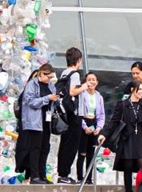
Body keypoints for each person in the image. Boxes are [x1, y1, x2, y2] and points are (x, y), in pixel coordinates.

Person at [98, 81, 142, 192]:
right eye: (139, 89)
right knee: (127, 168)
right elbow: (114, 121)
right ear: (133, 89)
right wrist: (104, 134)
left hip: (141, 139)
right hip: (127, 139)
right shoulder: (122, 104)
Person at [15, 64, 59, 184]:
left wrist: (56, 99)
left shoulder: (51, 86)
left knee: (45, 148)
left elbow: (52, 101)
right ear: (41, 73)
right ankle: (34, 176)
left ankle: (42, 175)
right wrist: (47, 98)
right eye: (48, 77)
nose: (49, 79)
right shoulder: (32, 85)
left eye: (51, 77)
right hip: (34, 121)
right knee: (36, 148)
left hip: (47, 120)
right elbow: (30, 102)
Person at [57, 47, 87, 184]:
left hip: (65, 113)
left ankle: (62, 173)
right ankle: (64, 174)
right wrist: (84, 86)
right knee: (72, 145)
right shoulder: (74, 74)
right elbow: (72, 92)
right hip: (74, 114)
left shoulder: (64, 73)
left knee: (65, 143)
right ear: (79, 60)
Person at [76, 72, 105, 184]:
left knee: (91, 153)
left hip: (94, 123)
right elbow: (79, 112)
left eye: (94, 80)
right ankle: (80, 177)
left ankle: (88, 178)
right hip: (84, 122)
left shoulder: (99, 96)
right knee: (82, 153)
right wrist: (84, 126)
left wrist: (99, 127)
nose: (91, 82)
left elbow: (102, 114)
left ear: (97, 82)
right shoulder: (82, 94)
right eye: (89, 80)